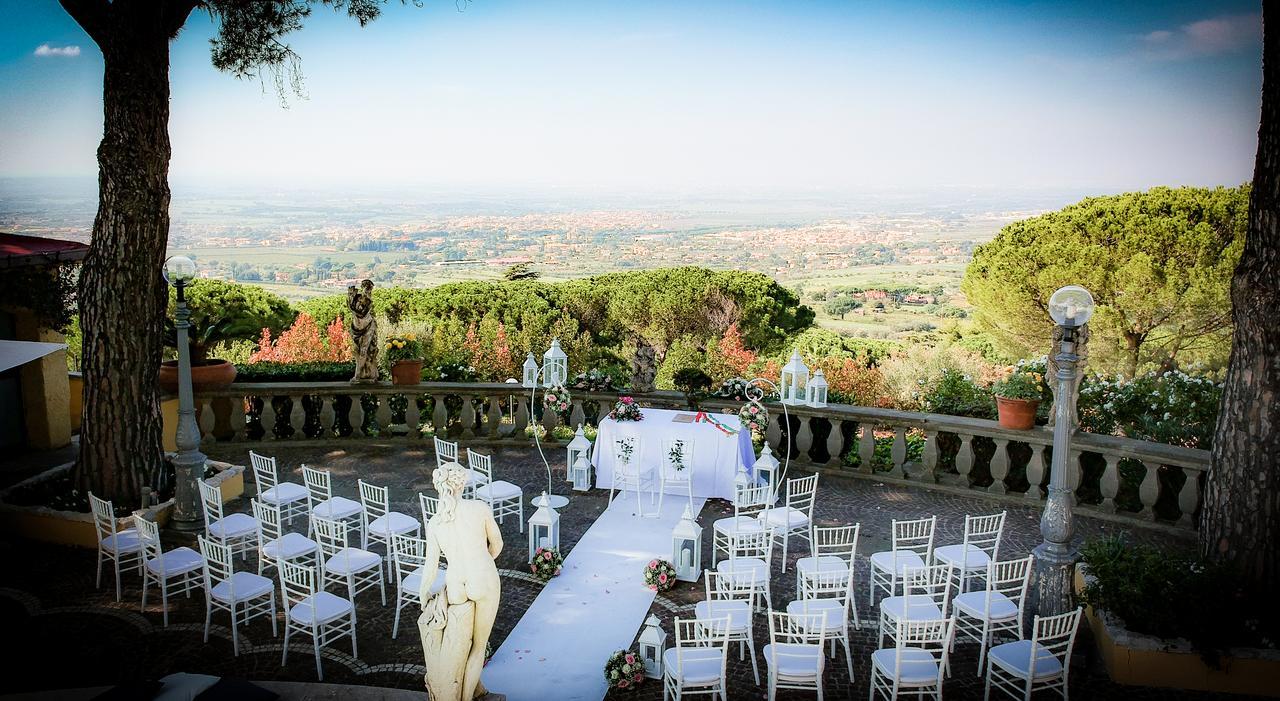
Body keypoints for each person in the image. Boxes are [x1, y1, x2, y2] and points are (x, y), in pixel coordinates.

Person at [420, 465, 503, 700]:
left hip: (456, 583)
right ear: (462, 483)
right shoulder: (479, 508)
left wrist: (423, 593)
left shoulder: (435, 522)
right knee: (477, 648)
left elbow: (431, 566)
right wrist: (483, 560)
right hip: (483, 578)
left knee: (462, 643)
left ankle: (478, 689)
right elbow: (497, 545)